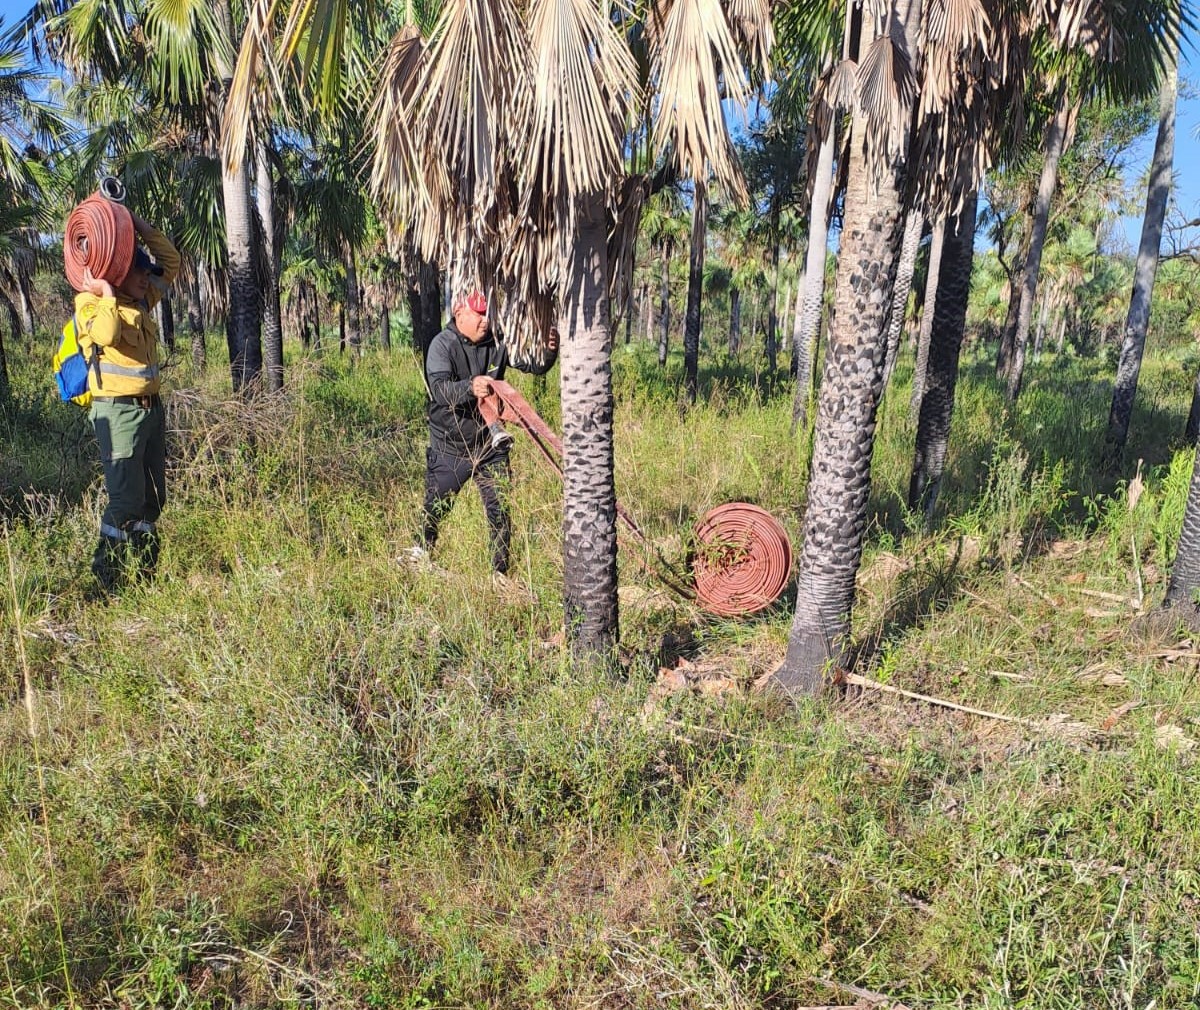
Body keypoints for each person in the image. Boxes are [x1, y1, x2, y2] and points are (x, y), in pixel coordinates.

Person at [407, 289, 558, 577]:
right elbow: (439, 391)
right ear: (459, 313)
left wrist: (550, 350)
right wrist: (470, 387)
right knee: (436, 507)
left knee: (500, 509)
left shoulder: (497, 341)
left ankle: (499, 574)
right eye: (478, 314)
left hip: (490, 444)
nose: (485, 320)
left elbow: (534, 365)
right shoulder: (442, 345)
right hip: (451, 446)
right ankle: (419, 556)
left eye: (487, 313)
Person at [76, 210, 181, 591]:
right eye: (137, 271)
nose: (145, 278)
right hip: (118, 413)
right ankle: (107, 582)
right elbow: (105, 334)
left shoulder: (141, 302)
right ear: (117, 273)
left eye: (145, 272)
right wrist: (105, 293)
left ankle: (145, 575)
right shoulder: (90, 302)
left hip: (151, 411)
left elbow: (171, 262)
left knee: (153, 500)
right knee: (124, 503)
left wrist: (135, 225)